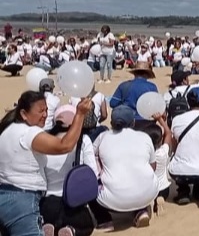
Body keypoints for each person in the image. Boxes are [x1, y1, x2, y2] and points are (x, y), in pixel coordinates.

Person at [0, 91, 92, 236]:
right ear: (24, 114)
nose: (45, 114)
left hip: (4, 195)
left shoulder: (7, 130)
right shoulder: (29, 133)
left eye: (46, 110)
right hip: (23, 201)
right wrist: (80, 114)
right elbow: (65, 145)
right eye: (40, 111)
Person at [90, 106, 159, 230]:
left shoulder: (103, 137)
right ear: (133, 122)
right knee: (138, 178)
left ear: (111, 123)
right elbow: (153, 166)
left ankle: (104, 220)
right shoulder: (144, 137)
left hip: (113, 200)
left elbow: (90, 158)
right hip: (148, 193)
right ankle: (141, 210)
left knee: (89, 184)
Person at [40, 105, 98, 236]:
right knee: (87, 225)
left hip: (47, 202)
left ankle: (48, 226)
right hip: (73, 202)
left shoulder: (45, 140)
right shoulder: (83, 140)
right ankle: (71, 230)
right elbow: (92, 172)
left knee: (48, 218)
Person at [109, 61, 158, 128]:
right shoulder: (152, 87)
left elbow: (113, 103)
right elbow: (155, 106)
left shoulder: (124, 85)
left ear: (134, 73)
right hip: (146, 121)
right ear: (147, 74)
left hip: (127, 121)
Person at [145, 116, 172, 217]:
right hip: (164, 189)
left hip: (150, 190)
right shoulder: (163, 152)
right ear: (161, 140)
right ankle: (160, 199)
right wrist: (160, 119)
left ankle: (149, 204)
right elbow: (168, 133)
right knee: (162, 193)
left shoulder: (145, 155)